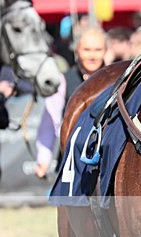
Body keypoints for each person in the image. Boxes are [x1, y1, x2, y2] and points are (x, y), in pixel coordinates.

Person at [34, 27, 107, 178]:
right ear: (77, 51)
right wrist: (43, 159)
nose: (92, 55)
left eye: (98, 49)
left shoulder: (117, 78)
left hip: (107, 159)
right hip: (71, 159)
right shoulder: (63, 80)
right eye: (86, 49)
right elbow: (49, 123)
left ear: (105, 50)